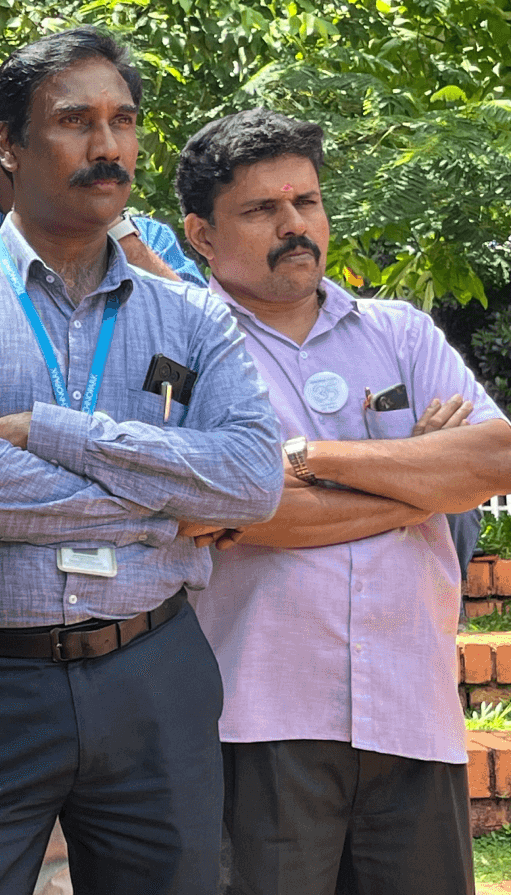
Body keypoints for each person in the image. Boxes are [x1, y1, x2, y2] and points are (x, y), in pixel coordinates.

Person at [0, 28, 283, 895]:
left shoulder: (192, 317)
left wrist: (59, 433)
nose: (107, 147)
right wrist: (168, 510)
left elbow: (253, 479)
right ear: (6, 150)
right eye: (74, 122)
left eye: (123, 120)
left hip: (155, 675)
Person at [176, 108, 511, 895]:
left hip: (412, 706)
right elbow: (236, 506)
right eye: (263, 209)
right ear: (200, 234)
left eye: (307, 203)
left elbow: (494, 459)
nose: (295, 225)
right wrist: (415, 479)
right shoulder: (183, 346)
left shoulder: (400, 332)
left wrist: (306, 459)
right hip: (259, 715)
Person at [0, 73, 206, 287]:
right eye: (71, 122)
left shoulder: (149, 240)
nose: (104, 149)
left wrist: (119, 235)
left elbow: (209, 333)